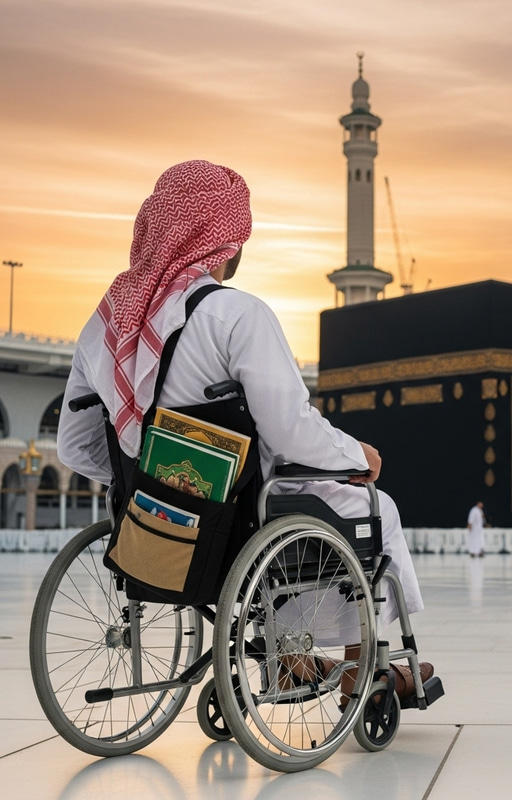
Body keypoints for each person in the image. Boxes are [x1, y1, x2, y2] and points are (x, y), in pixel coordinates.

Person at [56, 160, 432, 702]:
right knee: (377, 509)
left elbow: (75, 445)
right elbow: (290, 430)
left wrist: (153, 481)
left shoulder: (105, 326)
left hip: (148, 529)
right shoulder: (235, 316)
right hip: (240, 520)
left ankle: (294, 658)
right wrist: (355, 454)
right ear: (225, 241)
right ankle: (357, 671)